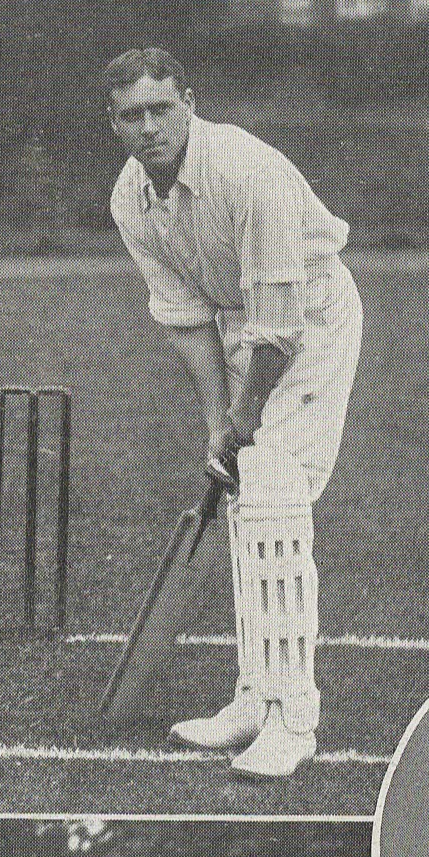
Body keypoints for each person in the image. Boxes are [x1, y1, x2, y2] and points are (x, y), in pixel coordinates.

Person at [105, 45, 367, 785]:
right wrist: (217, 422)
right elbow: (184, 316)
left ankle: (294, 717)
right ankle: (255, 695)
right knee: (249, 505)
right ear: (115, 124)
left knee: (275, 490)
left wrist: (247, 418)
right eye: (132, 116)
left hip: (308, 319)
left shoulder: (248, 172)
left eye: (162, 108)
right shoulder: (130, 200)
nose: (150, 126)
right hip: (235, 326)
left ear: (189, 100)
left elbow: (279, 330)